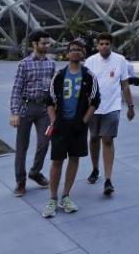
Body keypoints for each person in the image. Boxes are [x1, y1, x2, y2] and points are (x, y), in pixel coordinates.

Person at [42, 40, 100, 218]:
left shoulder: (89, 76)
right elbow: (50, 101)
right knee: (57, 161)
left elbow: (95, 101)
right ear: (67, 54)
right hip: (60, 125)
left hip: (78, 126)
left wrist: (83, 122)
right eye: (72, 49)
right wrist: (54, 121)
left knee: (74, 159)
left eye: (78, 49)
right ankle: (52, 198)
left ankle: (65, 196)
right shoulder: (59, 76)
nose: (75, 52)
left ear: (83, 53)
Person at [83, 32, 135, 196]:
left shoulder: (120, 60)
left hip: (112, 106)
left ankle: (108, 180)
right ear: (97, 46)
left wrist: (130, 106)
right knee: (94, 139)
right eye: (101, 44)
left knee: (107, 139)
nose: (104, 46)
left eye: (107, 43)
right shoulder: (90, 61)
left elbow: (125, 85)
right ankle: (95, 169)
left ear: (111, 45)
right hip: (93, 108)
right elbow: (85, 86)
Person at [9, 30, 55, 197]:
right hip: (26, 108)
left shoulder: (51, 64)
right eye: (44, 43)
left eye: (48, 43)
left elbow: (52, 88)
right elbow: (16, 89)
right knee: (22, 146)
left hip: (44, 109)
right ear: (34, 44)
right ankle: (20, 182)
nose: (46, 46)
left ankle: (35, 172)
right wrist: (14, 112)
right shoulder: (24, 64)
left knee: (44, 143)